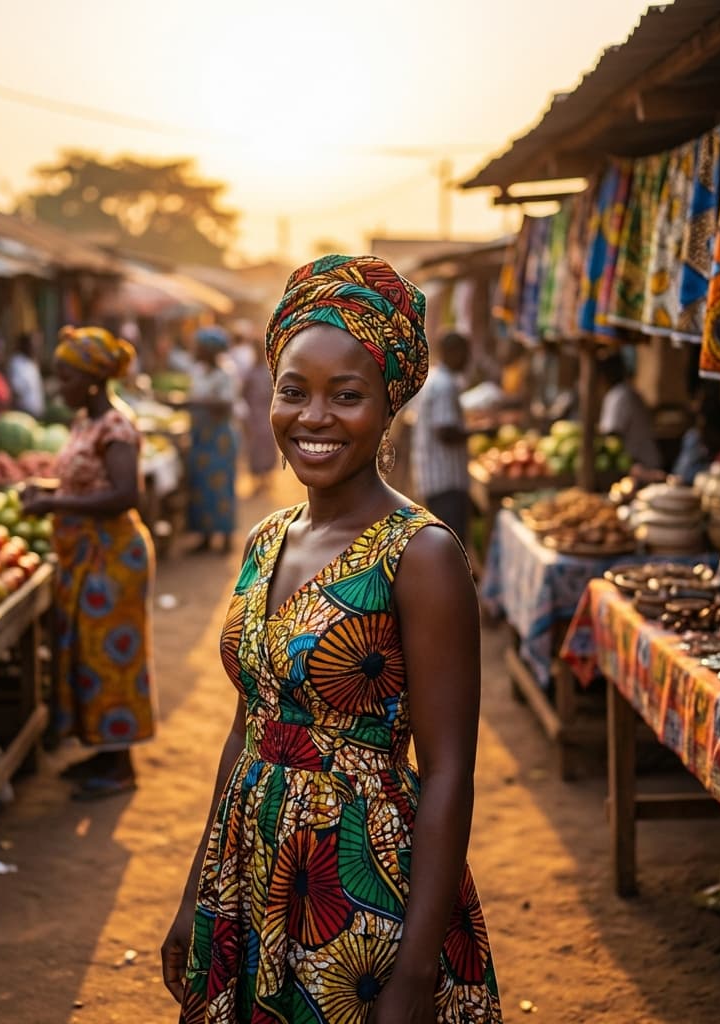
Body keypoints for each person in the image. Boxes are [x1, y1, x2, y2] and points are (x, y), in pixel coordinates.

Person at [161, 255, 502, 1023]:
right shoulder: (266, 538)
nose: (313, 418)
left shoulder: (421, 554)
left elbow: (449, 773)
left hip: (356, 888)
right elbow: (249, 725)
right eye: (294, 391)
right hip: (246, 875)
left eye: (346, 396)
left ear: (389, 405)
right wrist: (196, 894)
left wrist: (415, 974)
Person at [21, 326, 157, 800]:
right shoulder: (85, 421)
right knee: (85, 652)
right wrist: (50, 490)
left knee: (110, 657)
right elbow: (86, 484)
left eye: (66, 378)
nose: (60, 388)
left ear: (93, 382)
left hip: (113, 557)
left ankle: (121, 767)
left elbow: (124, 494)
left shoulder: (116, 427)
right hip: (85, 554)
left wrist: (54, 506)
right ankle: (101, 752)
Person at [409, 329, 476, 547]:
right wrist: (479, 432)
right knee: (451, 544)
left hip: (434, 477)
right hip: (445, 480)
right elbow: (445, 431)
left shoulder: (435, 379)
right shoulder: (445, 384)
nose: (468, 359)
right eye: (465, 352)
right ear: (452, 352)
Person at [185, 326, 238, 554]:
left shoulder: (225, 374)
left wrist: (197, 403)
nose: (194, 351)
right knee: (201, 487)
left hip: (219, 439)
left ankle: (225, 538)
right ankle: (205, 538)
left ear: (208, 350)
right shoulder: (198, 371)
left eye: (198, 347)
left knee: (220, 487)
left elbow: (226, 405)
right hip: (200, 436)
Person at [597, 351, 662, 471]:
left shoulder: (618, 395)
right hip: (642, 461)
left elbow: (612, 434)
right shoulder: (626, 392)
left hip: (642, 465)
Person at [240, 332, 278, 494]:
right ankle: (259, 480)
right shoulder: (256, 372)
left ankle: (265, 479)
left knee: (263, 447)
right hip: (257, 415)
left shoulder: (268, 372)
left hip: (263, 414)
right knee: (258, 447)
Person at [6, 331, 46, 419]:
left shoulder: (33, 362)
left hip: (36, 412)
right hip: (24, 413)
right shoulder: (17, 362)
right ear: (26, 344)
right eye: (34, 343)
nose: (37, 346)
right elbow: (17, 390)